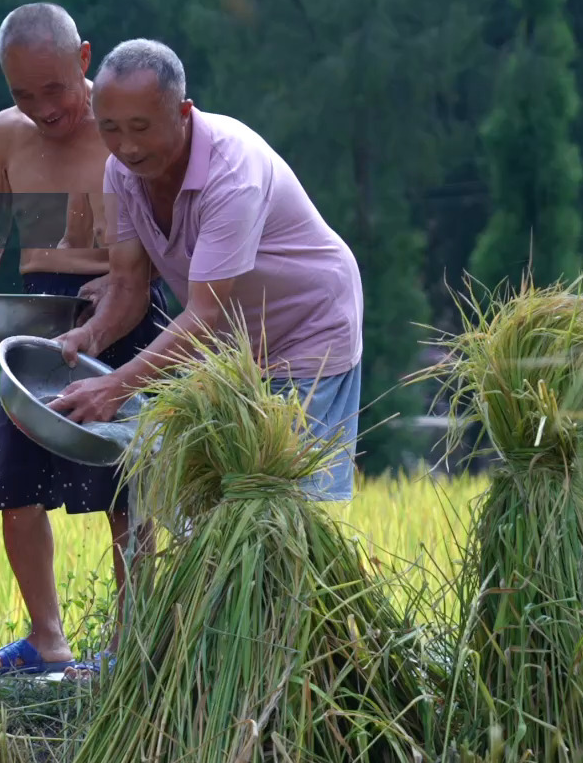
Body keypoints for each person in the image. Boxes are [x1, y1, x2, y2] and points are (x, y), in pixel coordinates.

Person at [0, 3, 170, 678]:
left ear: (84, 62)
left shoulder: (125, 130)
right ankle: (47, 638)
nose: (44, 107)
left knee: (130, 494)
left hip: (128, 313)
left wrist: (125, 280)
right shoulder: (6, 137)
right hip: (39, 324)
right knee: (12, 489)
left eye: (56, 88)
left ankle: (131, 645)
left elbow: (178, 231)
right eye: (24, 93)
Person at [51, 38, 363, 503]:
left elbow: (204, 314)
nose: (127, 146)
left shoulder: (232, 172)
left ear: (182, 112)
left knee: (288, 506)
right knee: (215, 503)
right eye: (111, 128)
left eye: (141, 126)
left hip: (306, 331)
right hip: (231, 348)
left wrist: (115, 386)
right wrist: (90, 338)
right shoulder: (120, 171)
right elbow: (129, 283)